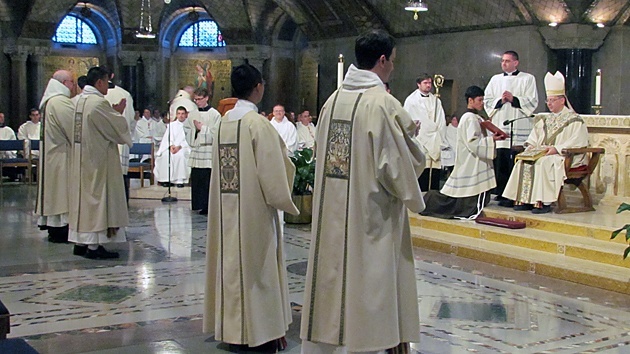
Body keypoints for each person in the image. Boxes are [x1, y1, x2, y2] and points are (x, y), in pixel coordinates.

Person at [300, 29, 426, 354]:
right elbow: (397, 168)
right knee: (373, 282)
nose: (394, 68)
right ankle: (372, 343)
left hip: (332, 215)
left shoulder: (331, 102)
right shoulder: (382, 104)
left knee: (334, 283)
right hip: (371, 214)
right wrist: (416, 151)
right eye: (393, 62)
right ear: (382, 60)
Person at [203, 64, 299, 352]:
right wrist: (286, 195)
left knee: (231, 266)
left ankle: (233, 330)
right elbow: (274, 173)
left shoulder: (222, 123)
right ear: (258, 87)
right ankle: (260, 333)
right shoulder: (258, 125)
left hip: (226, 211)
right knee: (258, 268)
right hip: (254, 211)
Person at [502, 71, 589, 214]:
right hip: (544, 153)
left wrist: (556, 149)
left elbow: (578, 141)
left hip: (565, 156)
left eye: (552, 100)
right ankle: (523, 200)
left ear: (562, 100)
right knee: (522, 161)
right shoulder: (544, 119)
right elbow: (534, 137)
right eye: (547, 100)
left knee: (544, 162)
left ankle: (542, 202)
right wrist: (531, 146)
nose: (549, 104)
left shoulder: (575, 120)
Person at [68, 66, 132, 259]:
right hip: (98, 161)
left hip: (81, 160)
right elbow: (117, 129)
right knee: (97, 201)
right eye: (106, 82)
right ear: (99, 83)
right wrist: (119, 113)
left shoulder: (78, 102)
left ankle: (80, 242)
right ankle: (94, 248)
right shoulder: (98, 103)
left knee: (83, 202)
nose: (108, 87)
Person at [421, 86, 504, 219]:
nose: (482, 103)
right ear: (470, 100)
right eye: (480, 100)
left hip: (472, 158)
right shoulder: (469, 118)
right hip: (472, 160)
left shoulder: (475, 117)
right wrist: (491, 139)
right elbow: (473, 142)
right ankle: (430, 200)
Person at [484, 50, 538, 206]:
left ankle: (515, 194)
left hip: (519, 125)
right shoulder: (495, 79)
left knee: (514, 160)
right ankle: (501, 193)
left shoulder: (527, 79)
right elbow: (487, 100)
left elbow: (532, 100)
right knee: (501, 160)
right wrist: (500, 101)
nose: (504, 63)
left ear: (516, 62)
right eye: (502, 61)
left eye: (507, 61)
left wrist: (514, 99)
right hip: (500, 124)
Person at [35, 70, 75, 244]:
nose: (74, 86)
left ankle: (54, 228)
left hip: (52, 155)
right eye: (72, 82)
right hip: (61, 155)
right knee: (62, 193)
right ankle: (60, 229)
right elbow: (75, 130)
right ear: (65, 82)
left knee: (55, 192)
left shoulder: (50, 102)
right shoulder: (60, 103)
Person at [404, 73, 446, 191]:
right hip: (420, 140)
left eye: (429, 83)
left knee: (434, 174)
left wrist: (438, 136)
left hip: (435, 140)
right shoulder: (411, 101)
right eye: (425, 83)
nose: (428, 85)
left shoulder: (436, 100)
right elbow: (408, 120)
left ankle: (433, 199)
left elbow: (441, 121)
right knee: (422, 170)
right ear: (418, 84)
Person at [190, 87, 221, 214]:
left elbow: (217, 133)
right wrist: (195, 131)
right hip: (197, 149)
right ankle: (198, 204)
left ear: (207, 98)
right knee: (197, 177)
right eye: (195, 99)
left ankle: (208, 206)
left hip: (209, 150)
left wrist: (202, 128)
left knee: (207, 178)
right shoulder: (192, 114)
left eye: (200, 99)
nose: (197, 102)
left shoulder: (215, 114)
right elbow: (187, 131)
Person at [104, 73, 135, 203]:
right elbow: (131, 120)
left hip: (103, 143)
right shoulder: (124, 94)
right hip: (121, 141)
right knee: (120, 177)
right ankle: (122, 204)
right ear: (112, 75)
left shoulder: (96, 96)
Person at [154, 106, 191, 188]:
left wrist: (179, 147)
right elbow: (167, 137)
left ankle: (180, 180)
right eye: (179, 114)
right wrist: (171, 146)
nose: (181, 116)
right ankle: (166, 179)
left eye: (182, 114)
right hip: (172, 147)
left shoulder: (190, 126)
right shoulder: (172, 125)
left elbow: (188, 140)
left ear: (186, 115)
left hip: (183, 148)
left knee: (180, 156)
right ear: (176, 115)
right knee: (165, 155)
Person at [441, 114, 458, 180]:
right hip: (450, 153)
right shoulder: (446, 129)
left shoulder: (461, 129)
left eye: (457, 120)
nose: (455, 122)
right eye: (454, 120)